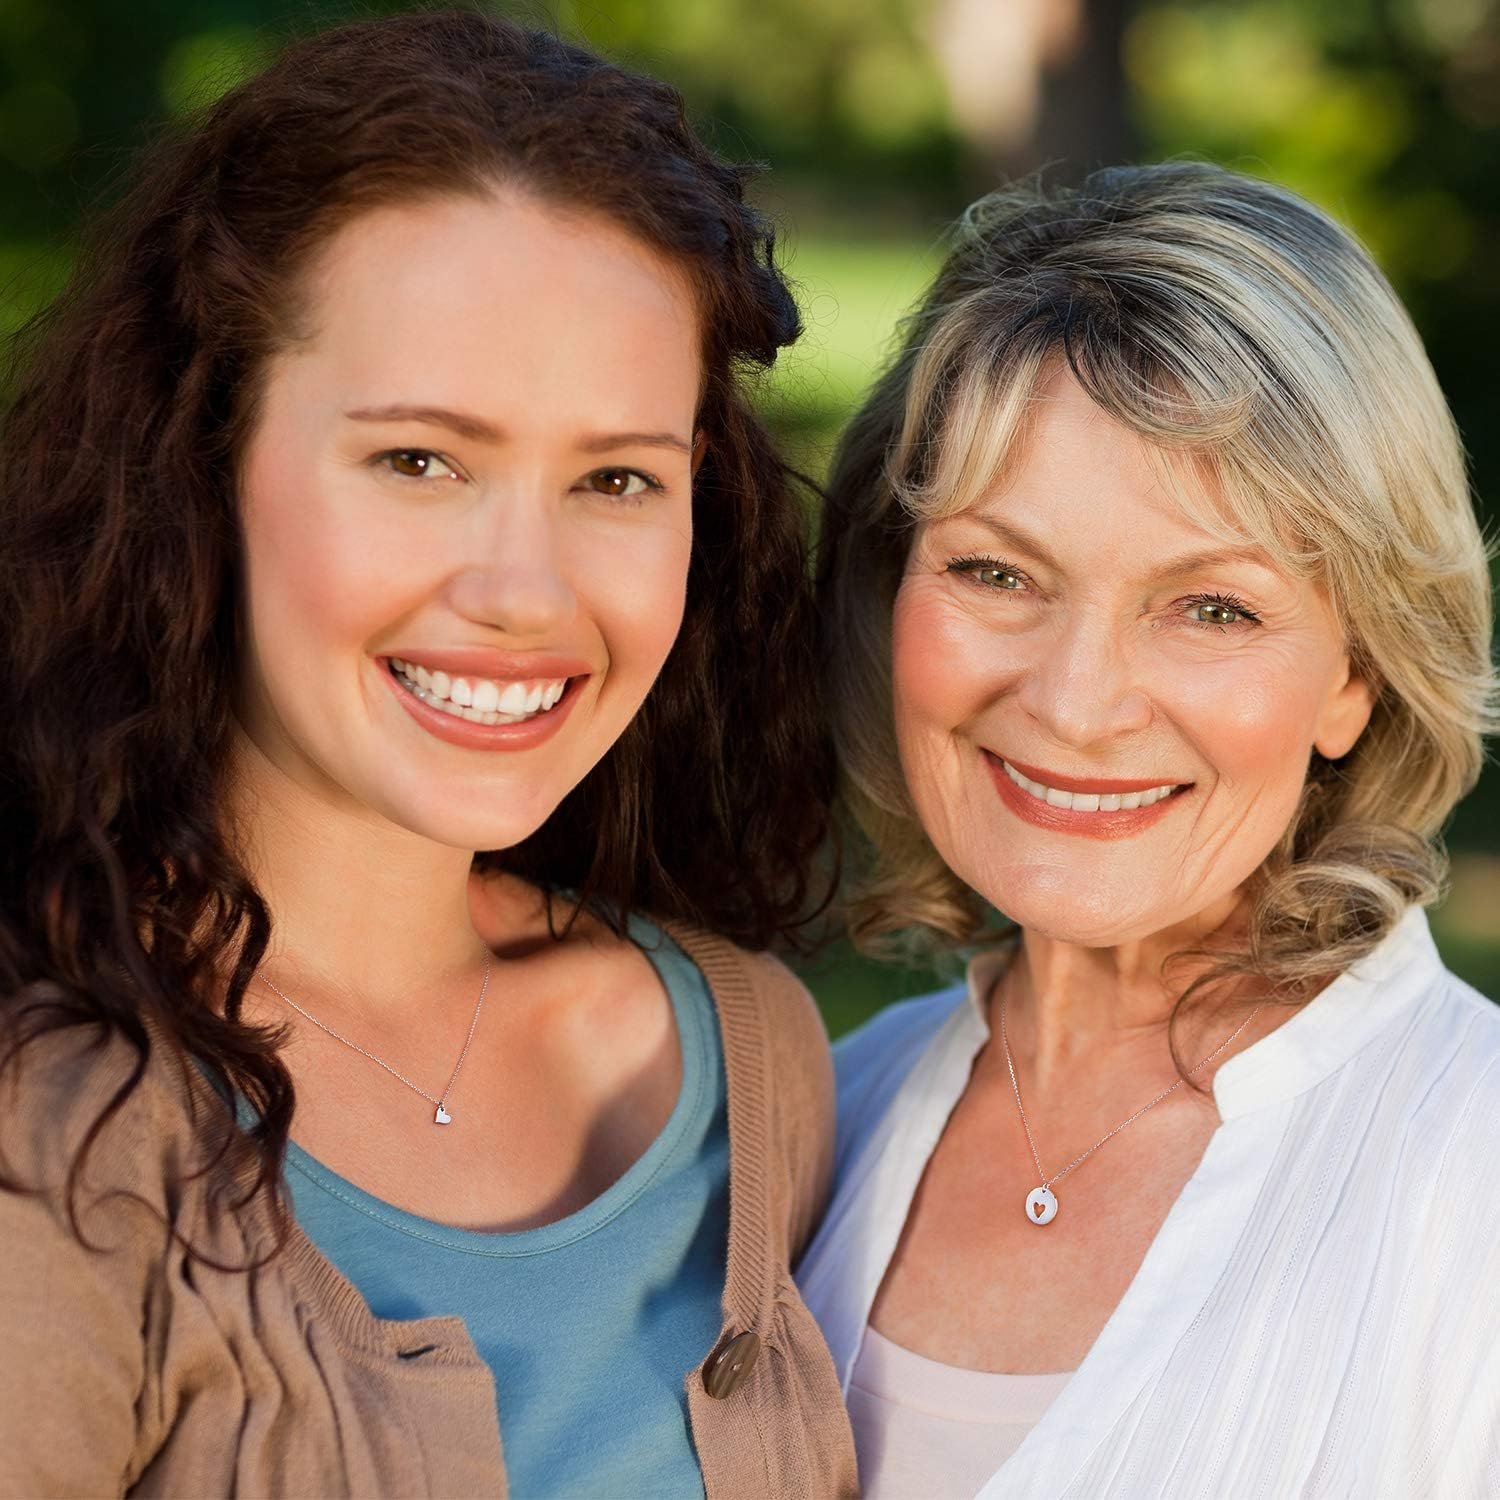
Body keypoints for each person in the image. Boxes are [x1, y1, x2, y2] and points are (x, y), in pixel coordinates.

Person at [0, 12, 857, 1498]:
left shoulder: (748, 1059)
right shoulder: (47, 1132)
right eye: (419, 462)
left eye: (616, 479)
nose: (525, 590)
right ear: (204, 464)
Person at [799, 162, 1500, 1497]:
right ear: (893, 599)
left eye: (1212, 608)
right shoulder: (813, 1117)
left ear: (1356, 674)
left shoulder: (1478, 1184)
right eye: (997, 573)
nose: (1076, 704)